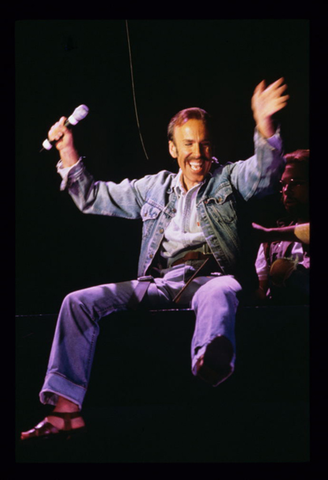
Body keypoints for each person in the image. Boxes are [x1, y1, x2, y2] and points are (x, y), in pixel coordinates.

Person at [21, 78, 289, 441]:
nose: (199, 152)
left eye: (205, 143)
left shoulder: (227, 179)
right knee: (77, 303)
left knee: (221, 291)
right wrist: (66, 150)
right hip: (160, 284)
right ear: (173, 149)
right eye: (189, 144)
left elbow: (264, 175)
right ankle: (65, 411)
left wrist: (265, 125)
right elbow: (92, 197)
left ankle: (210, 360)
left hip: (212, 278)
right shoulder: (154, 188)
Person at [254, 149, 309, 304]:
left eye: (296, 183)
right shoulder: (270, 243)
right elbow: (260, 292)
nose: (287, 191)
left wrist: (269, 233)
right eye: (283, 185)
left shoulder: (271, 235)